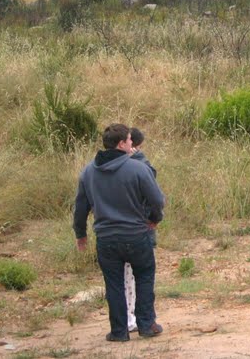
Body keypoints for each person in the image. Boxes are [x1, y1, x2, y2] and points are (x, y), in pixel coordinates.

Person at [73, 123, 165, 342]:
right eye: (130, 140)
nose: (133, 144)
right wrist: (154, 219)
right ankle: (146, 324)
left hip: (106, 238)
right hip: (136, 235)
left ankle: (118, 331)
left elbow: (80, 207)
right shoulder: (138, 168)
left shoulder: (88, 172)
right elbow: (157, 200)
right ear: (122, 143)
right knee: (144, 277)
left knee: (113, 284)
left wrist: (80, 234)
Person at [123, 127, 158, 334]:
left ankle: (126, 320)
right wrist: (155, 218)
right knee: (138, 278)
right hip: (137, 230)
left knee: (124, 279)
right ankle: (135, 319)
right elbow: (153, 188)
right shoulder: (139, 166)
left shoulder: (102, 167)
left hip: (112, 232)